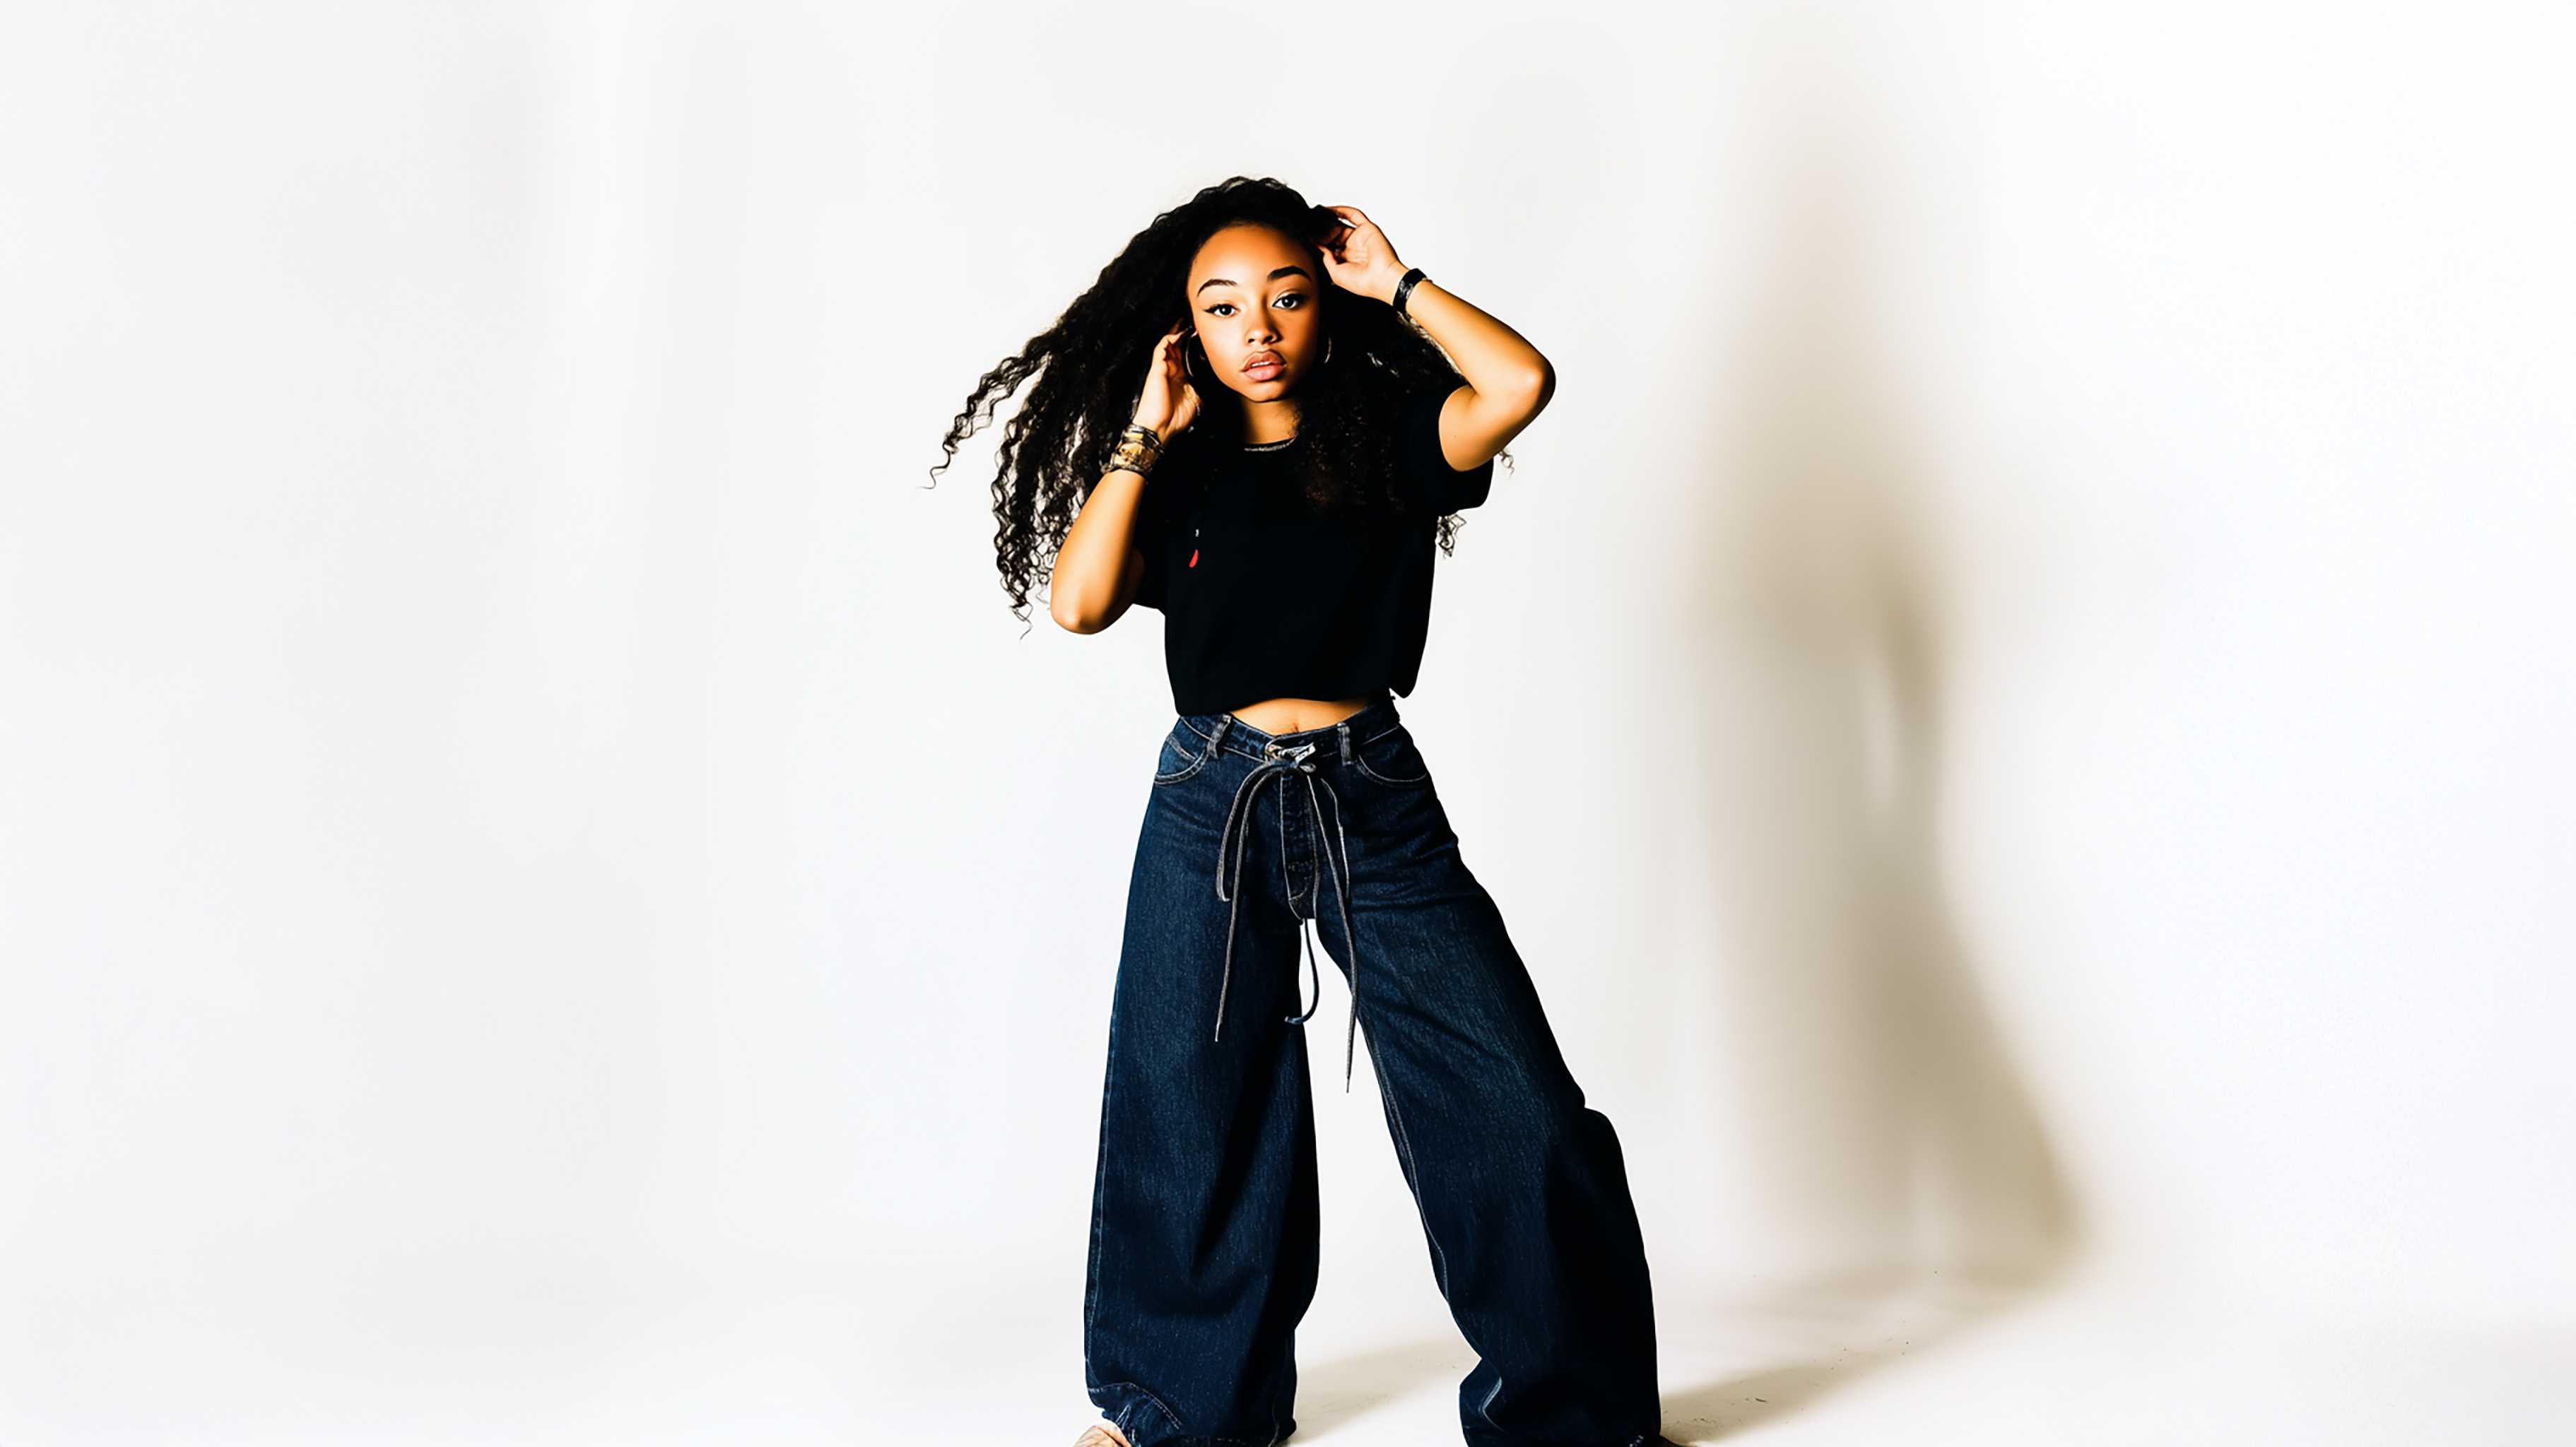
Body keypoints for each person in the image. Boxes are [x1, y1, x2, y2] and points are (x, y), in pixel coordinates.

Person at [933, 177, 1678, 1447]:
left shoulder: (1387, 442)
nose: (1258, 328)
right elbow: (1078, 603)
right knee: (1189, 1103)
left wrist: (1396, 281)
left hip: (1366, 795)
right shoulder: (1180, 469)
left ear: (1325, 310)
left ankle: (1575, 1422)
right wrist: (1144, 432)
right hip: (1208, 798)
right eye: (1223, 307)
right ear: (1187, 330)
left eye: (1285, 297)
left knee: (1509, 1101)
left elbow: (1517, 384)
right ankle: (1179, 1413)